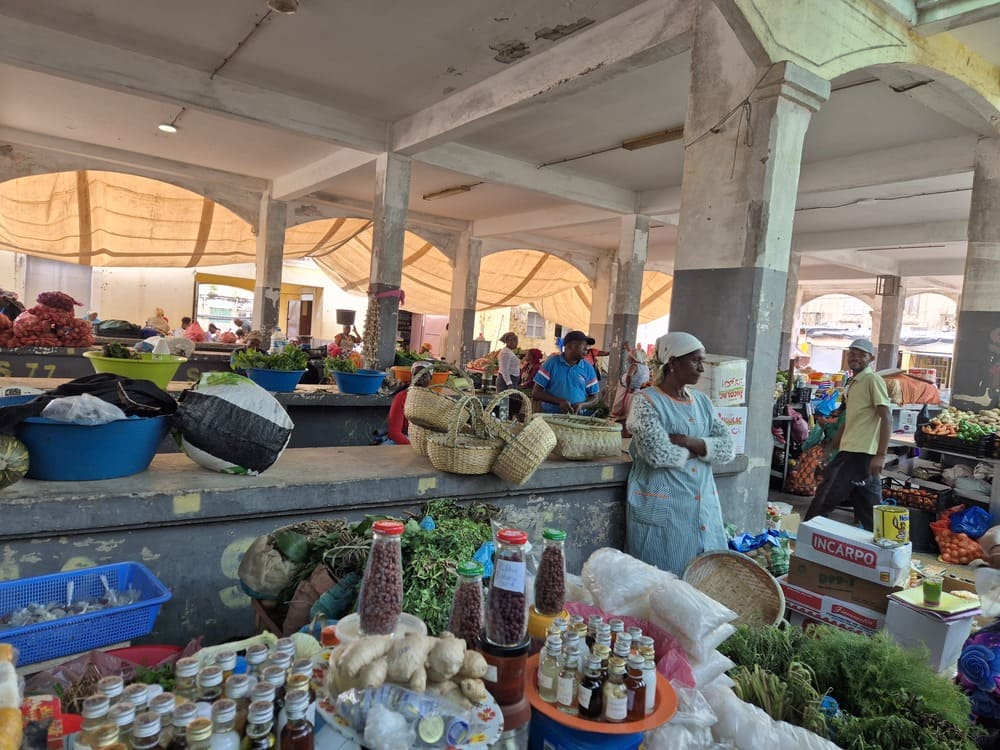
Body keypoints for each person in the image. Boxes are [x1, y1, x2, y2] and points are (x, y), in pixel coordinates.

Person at [625, 332, 736, 575]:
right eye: (696, 360)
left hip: (702, 507)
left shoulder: (703, 402)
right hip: (665, 508)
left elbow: (728, 449)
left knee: (702, 581)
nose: (701, 367)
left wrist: (689, 441)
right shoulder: (645, 402)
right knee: (660, 583)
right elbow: (658, 454)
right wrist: (707, 448)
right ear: (673, 363)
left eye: (702, 361)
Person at [805, 338, 891, 531]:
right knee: (868, 506)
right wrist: (831, 447)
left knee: (825, 496)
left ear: (871, 358)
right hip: (852, 450)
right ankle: (886, 547)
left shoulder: (872, 380)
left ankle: (807, 538)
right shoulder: (852, 383)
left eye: (862, 355)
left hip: (859, 452)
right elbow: (848, 420)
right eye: (853, 353)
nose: (856, 358)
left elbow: (886, 417)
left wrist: (881, 455)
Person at [531, 330, 601, 414]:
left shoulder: (588, 368)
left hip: (577, 418)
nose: (586, 349)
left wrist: (582, 405)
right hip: (550, 417)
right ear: (570, 346)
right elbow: (536, 393)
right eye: (583, 345)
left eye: (587, 346)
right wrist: (559, 401)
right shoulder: (551, 363)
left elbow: (595, 398)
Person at [386, 362, 434, 445]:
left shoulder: (434, 399)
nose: (419, 379)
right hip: (405, 439)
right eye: (416, 375)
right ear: (411, 377)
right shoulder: (401, 398)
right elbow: (394, 433)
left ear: (431, 378)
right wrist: (413, 446)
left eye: (424, 375)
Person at [611, 346, 650, 421]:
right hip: (637, 391)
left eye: (629, 357)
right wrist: (627, 347)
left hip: (629, 392)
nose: (627, 358)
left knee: (622, 412)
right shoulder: (645, 367)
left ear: (633, 358)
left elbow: (629, 377)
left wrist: (628, 387)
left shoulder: (634, 365)